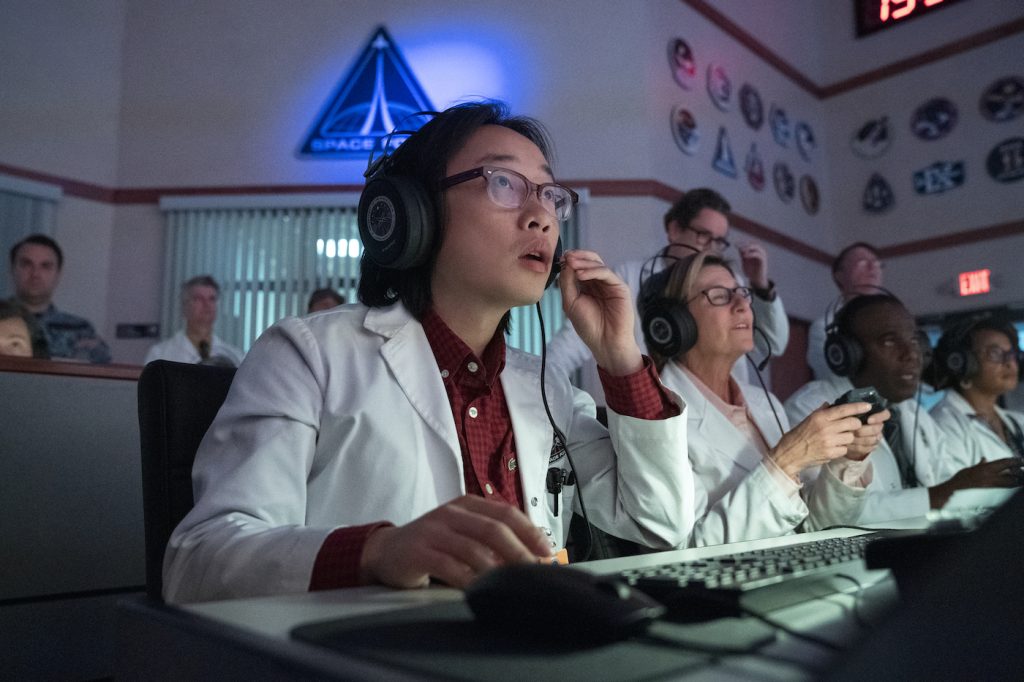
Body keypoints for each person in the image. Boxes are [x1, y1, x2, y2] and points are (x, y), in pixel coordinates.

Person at [163, 101, 695, 603]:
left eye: (551, 195)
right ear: (413, 212)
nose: (543, 217)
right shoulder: (310, 356)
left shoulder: (547, 388)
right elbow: (197, 561)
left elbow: (660, 522)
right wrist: (377, 552)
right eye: (505, 183)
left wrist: (621, 356)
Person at [646, 252, 883, 546]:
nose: (743, 304)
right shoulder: (656, 417)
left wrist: (850, 461)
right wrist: (786, 461)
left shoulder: (764, 402)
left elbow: (814, 527)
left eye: (742, 293)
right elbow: (689, 550)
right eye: (720, 295)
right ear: (676, 321)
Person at [785, 294, 1021, 523]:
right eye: (889, 341)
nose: (911, 354)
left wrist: (969, 486)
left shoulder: (911, 411)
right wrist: (947, 491)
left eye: (914, 341)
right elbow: (821, 515)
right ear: (848, 353)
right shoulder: (812, 409)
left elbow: (947, 484)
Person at [546, 187, 789, 388]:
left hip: (726, 412)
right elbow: (572, 344)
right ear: (674, 230)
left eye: (719, 241)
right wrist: (539, 388)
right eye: (704, 235)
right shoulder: (629, 277)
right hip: (658, 413)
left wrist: (760, 285)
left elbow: (775, 344)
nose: (710, 248)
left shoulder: (731, 282)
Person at [929, 316, 1024, 464]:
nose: (1010, 363)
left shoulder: (1018, 421)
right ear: (962, 364)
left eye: (1011, 354)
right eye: (995, 353)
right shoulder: (942, 424)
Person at [8, 234, 111, 363]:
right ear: (12, 269)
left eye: (45, 266)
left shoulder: (79, 329)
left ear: (58, 273)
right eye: (26, 264)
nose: (35, 274)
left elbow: (100, 375)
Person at [807, 242, 883, 379]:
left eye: (877, 264)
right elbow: (834, 377)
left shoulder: (894, 322)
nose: (872, 268)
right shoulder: (825, 327)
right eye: (863, 263)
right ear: (839, 276)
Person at [143, 275, 244, 367]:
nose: (207, 304)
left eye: (212, 299)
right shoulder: (160, 354)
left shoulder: (235, 357)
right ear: (184, 306)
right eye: (198, 299)